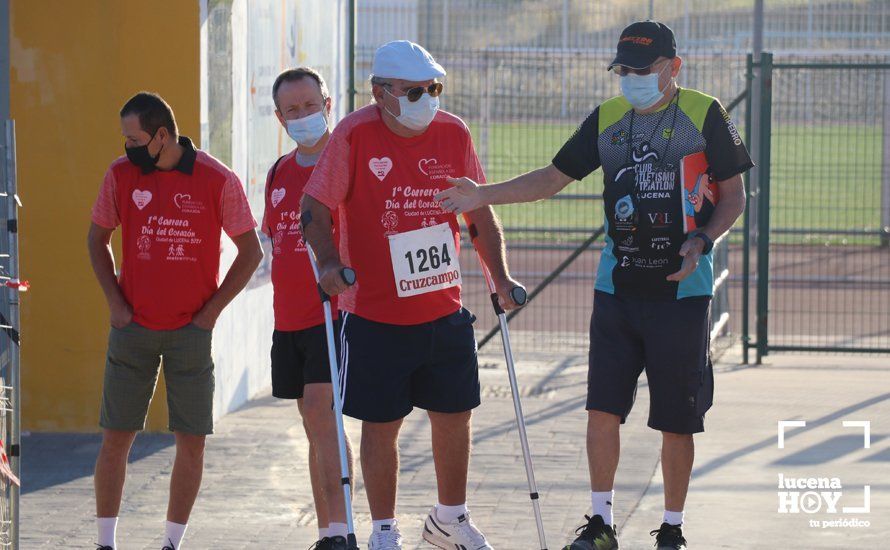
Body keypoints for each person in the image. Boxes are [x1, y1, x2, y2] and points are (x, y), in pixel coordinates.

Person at [435, 21, 753, 550]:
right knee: (601, 409)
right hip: (616, 290)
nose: (630, 79)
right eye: (623, 70)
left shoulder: (705, 113)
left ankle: (671, 527)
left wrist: (703, 239)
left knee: (677, 419)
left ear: (674, 68)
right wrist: (479, 194)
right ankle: (601, 524)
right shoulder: (607, 118)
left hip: (682, 293)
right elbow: (550, 179)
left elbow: (734, 197)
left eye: (642, 70)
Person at [301, 40, 522, 550]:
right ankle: (383, 530)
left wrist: (501, 280)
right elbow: (314, 207)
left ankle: (450, 519)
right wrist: (330, 263)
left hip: (441, 305)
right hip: (375, 311)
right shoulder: (354, 134)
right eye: (416, 91)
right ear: (381, 93)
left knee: (456, 413)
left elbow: (479, 213)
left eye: (435, 89)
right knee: (381, 425)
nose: (429, 98)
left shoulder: (453, 132)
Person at [88, 92, 263, 550]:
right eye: (124, 138)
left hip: (190, 333)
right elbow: (97, 241)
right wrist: (115, 302)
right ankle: (106, 542)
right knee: (115, 438)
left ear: (162, 135)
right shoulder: (120, 174)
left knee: (192, 441)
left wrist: (211, 312)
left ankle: (171, 543)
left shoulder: (216, 178)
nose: (126, 146)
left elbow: (251, 252)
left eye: (134, 138)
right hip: (132, 330)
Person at [262, 67, 354, 550]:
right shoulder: (278, 173)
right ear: (280, 117)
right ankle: (328, 532)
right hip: (289, 319)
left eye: (310, 105)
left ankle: (344, 530)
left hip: (333, 313)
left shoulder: (347, 164)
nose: (303, 116)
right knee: (312, 421)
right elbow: (274, 240)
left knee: (324, 413)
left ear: (328, 104)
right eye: (292, 110)